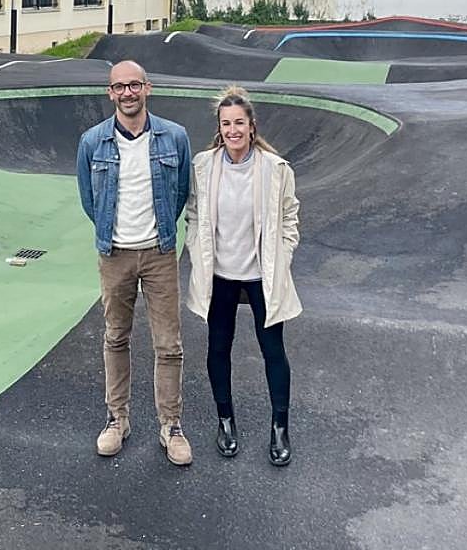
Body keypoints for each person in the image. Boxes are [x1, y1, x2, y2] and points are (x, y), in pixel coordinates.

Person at [76, 60, 193, 466]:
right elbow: (90, 201)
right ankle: (117, 419)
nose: (128, 93)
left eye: (135, 85)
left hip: (160, 253)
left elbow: (180, 193)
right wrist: (110, 232)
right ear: (110, 93)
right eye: (120, 87)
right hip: (115, 255)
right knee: (115, 337)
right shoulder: (93, 142)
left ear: (148, 88)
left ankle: (171, 426)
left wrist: (161, 231)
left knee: (169, 345)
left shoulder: (174, 137)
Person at [184, 86, 301, 466]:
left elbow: (289, 218)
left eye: (239, 123)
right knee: (218, 348)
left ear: (252, 126)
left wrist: (282, 256)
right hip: (219, 273)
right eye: (226, 124)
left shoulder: (275, 168)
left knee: (273, 351)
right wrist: (194, 247)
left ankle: (279, 427)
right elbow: (195, 214)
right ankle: (225, 421)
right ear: (220, 129)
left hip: (260, 274)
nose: (233, 130)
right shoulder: (203, 165)